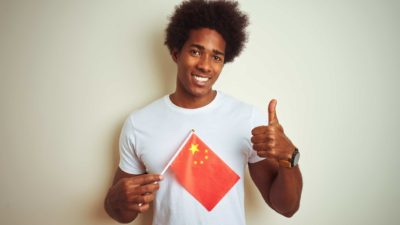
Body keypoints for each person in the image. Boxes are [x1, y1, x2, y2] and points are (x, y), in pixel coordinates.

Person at [104, 0, 303, 224]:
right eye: (196, 51)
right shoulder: (139, 123)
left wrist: (290, 158)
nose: (205, 66)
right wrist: (114, 201)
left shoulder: (247, 119)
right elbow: (124, 214)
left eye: (216, 57)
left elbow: (287, 208)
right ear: (176, 54)